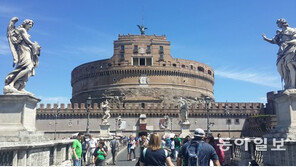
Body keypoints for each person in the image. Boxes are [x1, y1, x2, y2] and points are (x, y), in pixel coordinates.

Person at [4, 17, 41, 95]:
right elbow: (26, 40)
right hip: (23, 50)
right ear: (26, 23)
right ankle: (11, 84)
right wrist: (34, 44)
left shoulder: (25, 31)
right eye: (30, 24)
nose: (31, 26)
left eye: (32, 25)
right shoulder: (22, 30)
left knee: (29, 69)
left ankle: (20, 87)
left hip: (28, 50)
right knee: (28, 67)